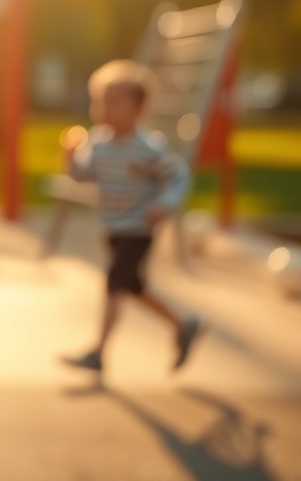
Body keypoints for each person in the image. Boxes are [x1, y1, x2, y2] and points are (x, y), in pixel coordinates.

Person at [61, 59, 202, 375]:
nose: (104, 110)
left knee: (114, 284)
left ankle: (98, 353)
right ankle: (183, 324)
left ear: (137, 108)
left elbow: (178, 176)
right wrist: (70, 158)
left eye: (113, 103)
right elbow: (83, 175)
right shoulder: (97, 144)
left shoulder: (148, 148)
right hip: (112, 226)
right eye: (100, 103)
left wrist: (165, 203)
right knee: (133, 288)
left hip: (138, 227)